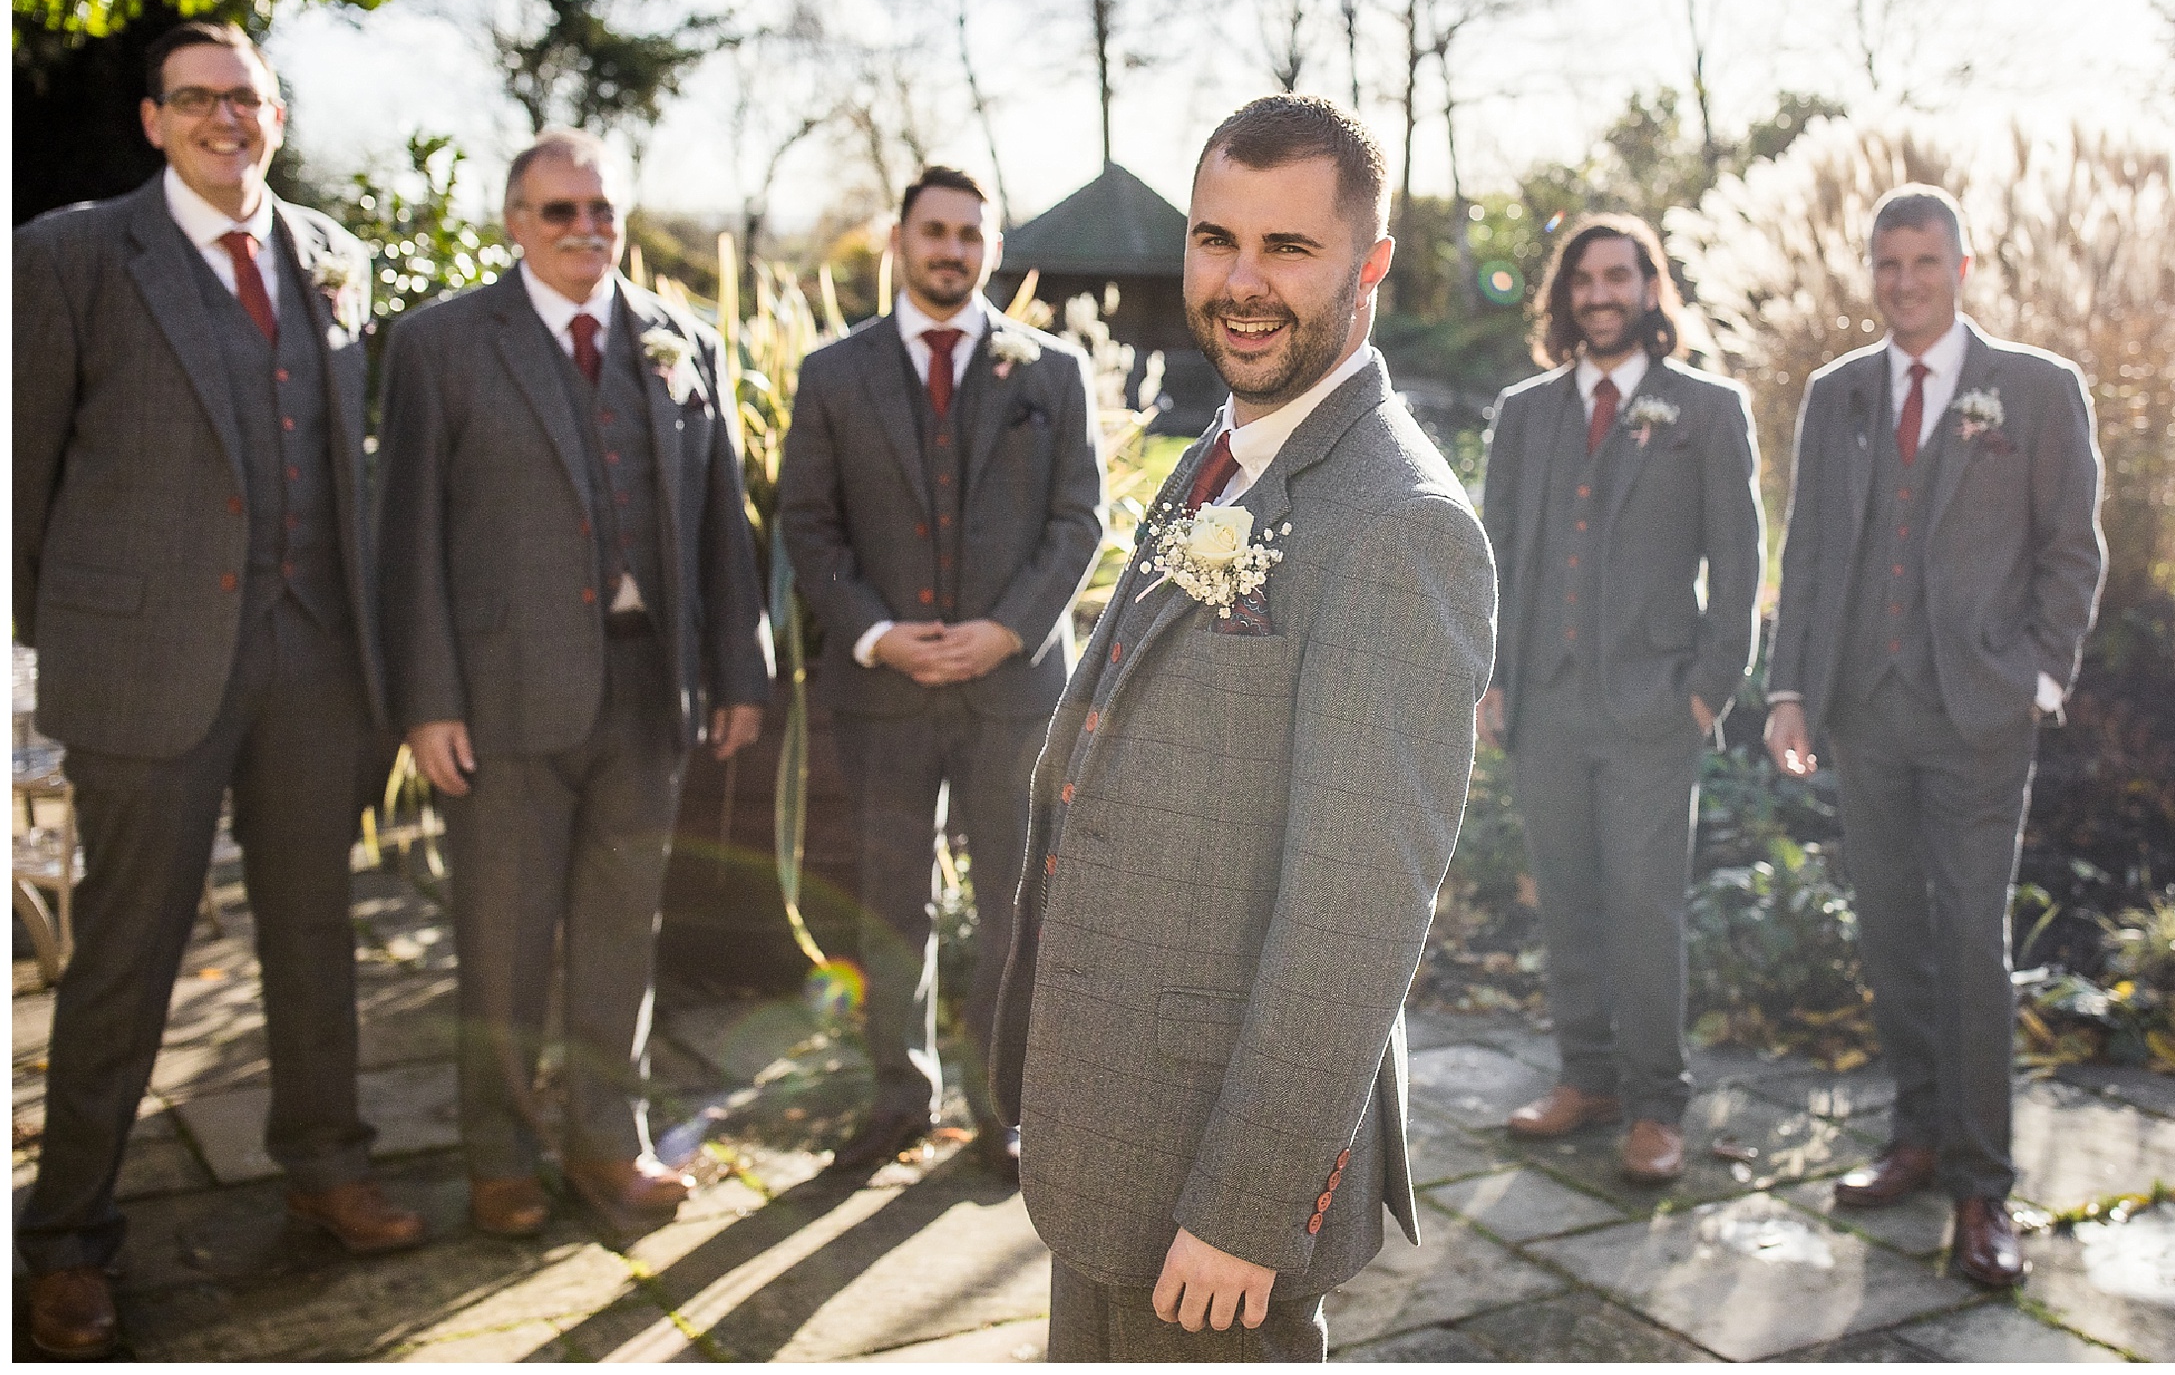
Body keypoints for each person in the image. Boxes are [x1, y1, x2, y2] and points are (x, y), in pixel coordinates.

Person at [991, 95, 1496, 1361]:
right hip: (1105, 1132)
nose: (1242, 282)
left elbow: (1357, 913)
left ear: (1369, 265)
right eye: (1218, 239)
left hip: (1206, 1191)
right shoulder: (1226, 445)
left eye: (1289, 248)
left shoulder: (1401, 529)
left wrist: (1247, 1207)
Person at [13, 20, 424, 1357]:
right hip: (143, 668)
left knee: (316, 935)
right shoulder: (69, 256)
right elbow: (17, 481)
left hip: (315, 661)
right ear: (151, 123)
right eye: (195, 101)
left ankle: (326, 1168)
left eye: (245, 99)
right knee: (125, 959)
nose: (223, 120)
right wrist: (37, 657)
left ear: (279, 116)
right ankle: (68, 1240)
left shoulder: (332, 259)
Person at [376, 127, 770, 1241]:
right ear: (515, 222)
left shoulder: (679, 338)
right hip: (500, 703)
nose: (586, 230)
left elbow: (719, 522)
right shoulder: (442, 344)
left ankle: (608, 1140)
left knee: (621, 932)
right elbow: (404, 535)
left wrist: (737, 668)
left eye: (602, 211)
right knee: (501, 939)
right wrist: (426, 698)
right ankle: (498, 1152)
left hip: (650, 693)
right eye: (560, 212)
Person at [1763, 183, 2105, 1287]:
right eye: (1886, 264)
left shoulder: (2037, 390)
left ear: (1963, 267)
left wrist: (2041, 680)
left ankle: (1982, 1186)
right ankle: (1914, 1135)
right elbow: (1810, 552)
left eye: (1923, 262)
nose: (1903, 282)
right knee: (1891, 936)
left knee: (1971, 945)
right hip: (1867, 710)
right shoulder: (1841, 394)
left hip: (1980, 717)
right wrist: (1790, 693)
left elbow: (2072, 550)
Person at [778, 165, 1106, 1180]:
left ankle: (1002, 1108)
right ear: (899, 241)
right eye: (934, 231)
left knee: (1014, 899)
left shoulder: (1050, 372)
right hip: (883, 689)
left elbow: (1079, 519)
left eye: (971, 233)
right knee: (890, 899)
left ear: (993, 249)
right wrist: (877, 632)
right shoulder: (834, 374)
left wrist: (1008, 630)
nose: (952, 249)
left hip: (1012, 689)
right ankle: (897, 1097)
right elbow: (808, 523)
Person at [1477, 215, 1763, 1184]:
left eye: (1617, 277)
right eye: (1582, 280)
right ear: (1566, 297)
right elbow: (1500, 553)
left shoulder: (1707, 411)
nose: (1599, 294)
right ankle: (1586, 1079)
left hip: (1654, 708)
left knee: (1645, 909)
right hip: (1545, 705)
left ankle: (1654, 1103)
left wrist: (1706, 693)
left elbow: (1739, 566)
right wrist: (1495, 680)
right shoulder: (1526, 412)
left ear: (1650, 288)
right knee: (1566, 900)